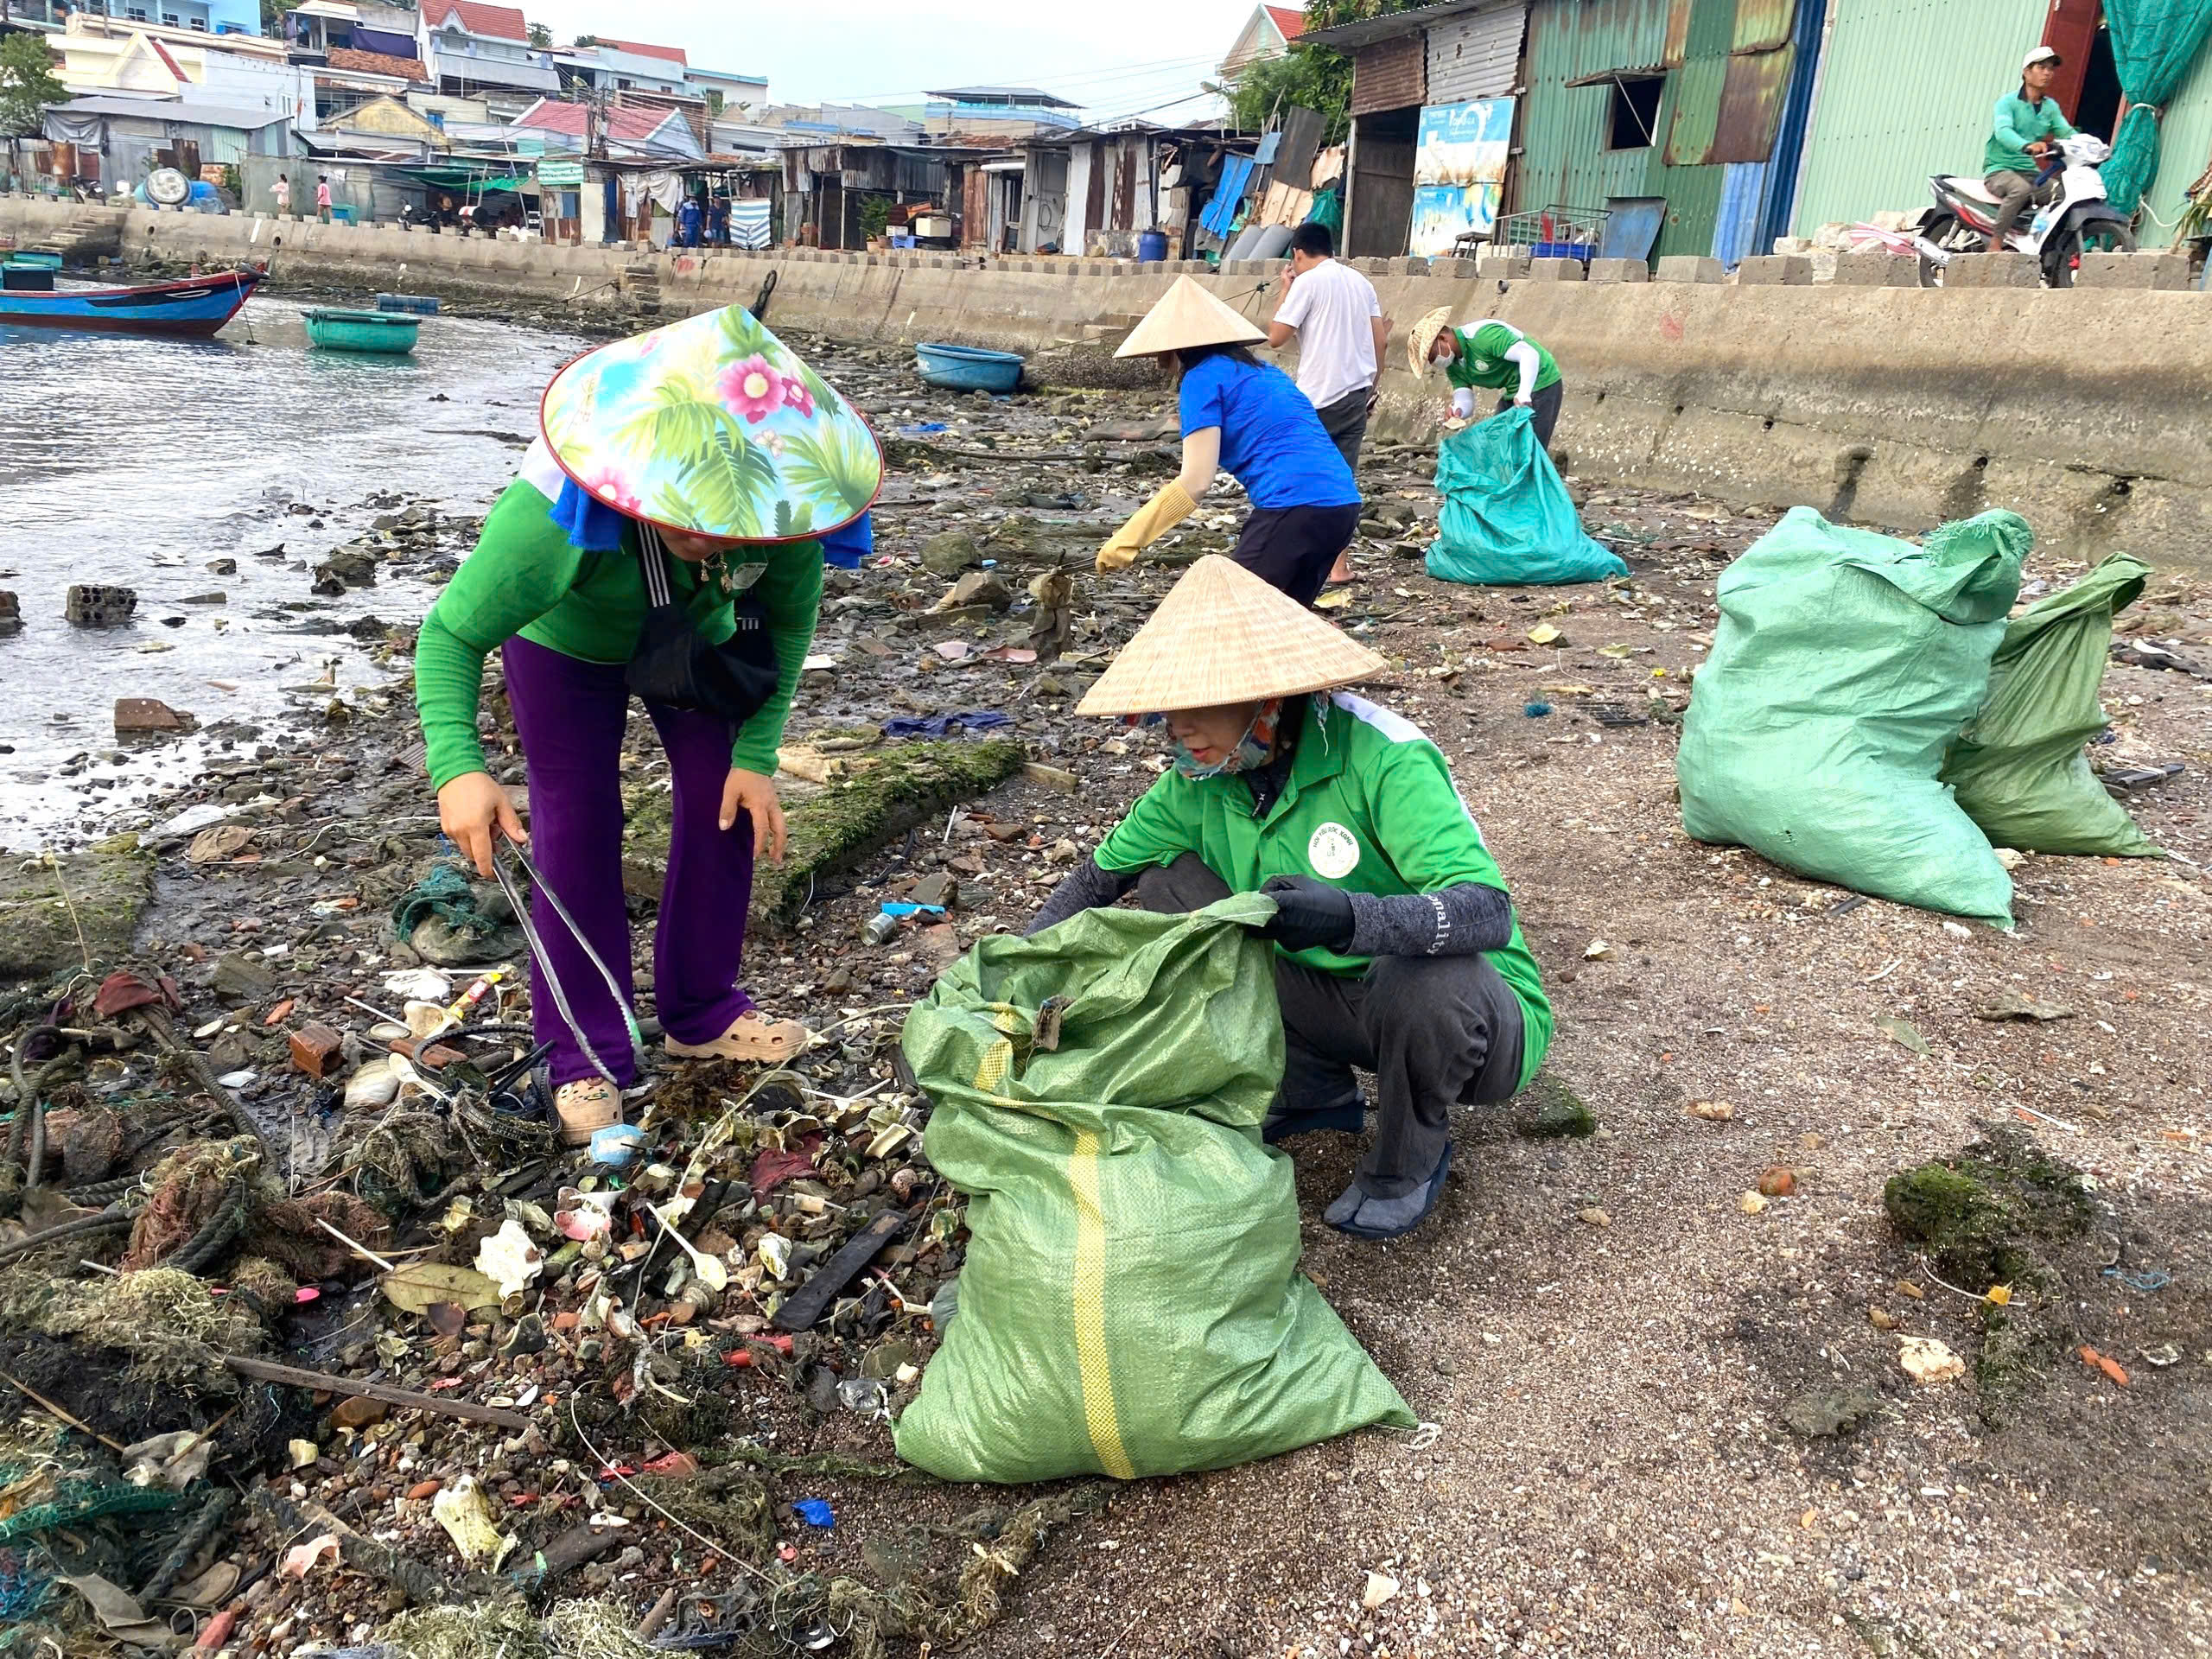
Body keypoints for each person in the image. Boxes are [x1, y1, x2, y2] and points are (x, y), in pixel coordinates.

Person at [413, 304, 883, 1144]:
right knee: (579, 819)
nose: (711, 538)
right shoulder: (548, 521)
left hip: (693, 643)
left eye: (727, 524)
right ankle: (584, 1054)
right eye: (689, 517)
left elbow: (786, 628)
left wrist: (758, 753)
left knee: (722, 795)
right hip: (566, 642)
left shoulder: (780, 507)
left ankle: (700, 1011)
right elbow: (450, 634)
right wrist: (459, 768)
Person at [1029, 556, 1553, 1241]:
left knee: (1419, 975)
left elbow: (1487, 911)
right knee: (1169, 892)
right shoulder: (1201, 780)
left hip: (1472, 1017)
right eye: (1166, 712)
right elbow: (1097, 881)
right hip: (1332, 1003)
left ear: (1266, 695)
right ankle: (1311, 1090)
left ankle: (1409, 1158)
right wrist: (1011, 965)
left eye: (1195, 706)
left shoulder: (1384, 758)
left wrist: (1352, 918)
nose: (1175, 729)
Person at [1096, 276, 1361, 607]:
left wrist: (1127, 540)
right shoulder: (1267, 372)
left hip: (1294, 507)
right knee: (1284, 622)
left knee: (1228, 613)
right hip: (1342, 506)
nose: (1160, 363)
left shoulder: (1202, 379)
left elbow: (1195, 481)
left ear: (1177, 348)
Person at [1268, 221, 1387, 588]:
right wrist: (1372, 389)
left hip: (1318, 398)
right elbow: (1380, 341)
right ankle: (1339, 567)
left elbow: (1275, 337)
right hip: (1357, 394)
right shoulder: (1360, 282)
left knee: (1298, 478)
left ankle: (1287, 558)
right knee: (1342, 482)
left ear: (1298, 254)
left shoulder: (1307, 281)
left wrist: (1285, 291)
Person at [1408, 308, 1566, 449]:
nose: (1433, 363)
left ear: (1443, 339)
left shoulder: (1483, 337)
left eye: (1432, 356)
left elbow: (1529, 355)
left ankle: (1529, 480)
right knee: (1498, 445)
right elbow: (1465, 399)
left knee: (1529, 449)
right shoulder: (1453, 366)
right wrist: (1458, 411)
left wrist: (1524, 393)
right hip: (1513, 390)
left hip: (1541, 381)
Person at [1983, 45, 2076, 251]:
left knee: (2060, 193)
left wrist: (2089, 144)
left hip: (2029, 170)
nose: (2047, 73)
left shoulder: (2050, 106)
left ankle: (2041, 242)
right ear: (2026, 72)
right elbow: (2003, 131)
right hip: (2000, 169)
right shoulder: (2007, 103)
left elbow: (2065, 131)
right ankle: (1995, 242)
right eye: (2041, 67)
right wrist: (2026, 145)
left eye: (2051, 69)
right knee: (2020, 190)